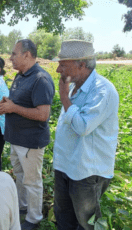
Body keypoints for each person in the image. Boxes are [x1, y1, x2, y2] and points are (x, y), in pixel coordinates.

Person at [52, 40, 119, 230]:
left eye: (63, 65)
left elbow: (82, 128)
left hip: (87, 172)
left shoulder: (102, 91)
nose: (58, 70)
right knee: (64, 218)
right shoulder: (74, 86)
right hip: (66, 165)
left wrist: (64, 98)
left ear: (82, 65)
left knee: (86, 223)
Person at [0, 39, 55, 229]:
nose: (10, 58)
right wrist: (8, 102)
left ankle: (34, 218)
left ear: (27, 55)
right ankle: (22, 207)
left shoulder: (40, 79)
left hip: (30, 142)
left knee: (32, 181)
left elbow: (43, 114)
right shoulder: (20, 76)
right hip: (16, 138)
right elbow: (21, 102)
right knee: (20, 175)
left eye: (14, 54)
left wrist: (13, 107)